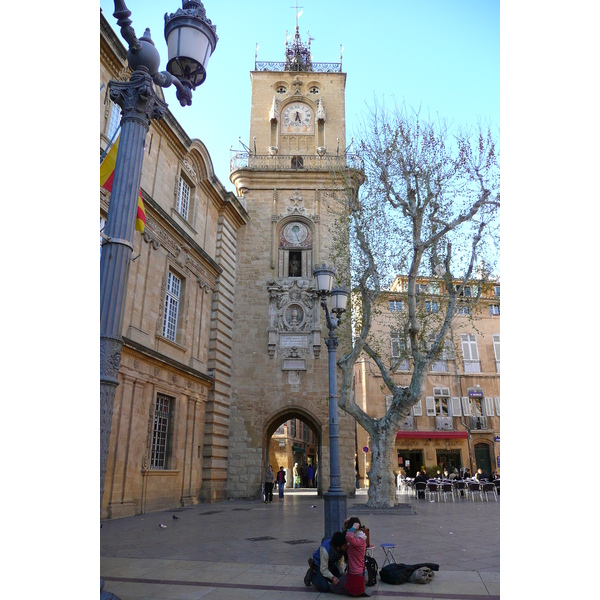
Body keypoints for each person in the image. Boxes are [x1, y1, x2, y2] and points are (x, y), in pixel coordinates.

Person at [344, 520, 370, 597]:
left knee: (335, 586)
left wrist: (353, 527)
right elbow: (347, 536)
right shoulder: (359, 538)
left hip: (356, 574)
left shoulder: (358, 541)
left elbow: (348, 536)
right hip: (361, 573)